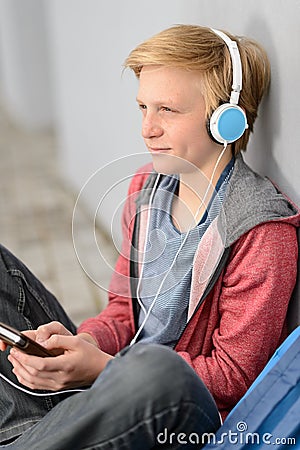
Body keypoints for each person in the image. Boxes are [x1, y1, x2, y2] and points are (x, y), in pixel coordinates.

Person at [0, 24, 299, 449]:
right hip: (111, 387)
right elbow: (123, 313)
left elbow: (234, 379)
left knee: (157, 370)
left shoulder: (261, 233)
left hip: (179, 416)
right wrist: (81, 345)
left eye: (167, 110)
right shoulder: (146, 188)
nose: (147, 128)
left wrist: (102, 368)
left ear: (226, 121)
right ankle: (34, 434)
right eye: (143, 107)